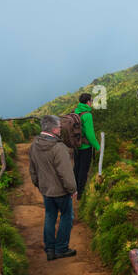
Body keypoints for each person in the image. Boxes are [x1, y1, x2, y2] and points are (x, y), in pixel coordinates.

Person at [30, 115, 77, 260]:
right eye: (59, 126)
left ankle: (50, 249)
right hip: (61, 192)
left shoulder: (34, 145)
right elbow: (66, 173)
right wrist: (72, 189)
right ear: (54, 129)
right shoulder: (58, 147)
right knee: (67, 217)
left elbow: (33, 170)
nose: (61, 129)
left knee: (50, 216)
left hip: (46, 191)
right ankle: (61, 248)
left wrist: (39, 184)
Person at [72, 92, 100, 200]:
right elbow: (90, 134)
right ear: (88, 102)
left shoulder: (76, 111)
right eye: (91, 101)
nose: (92, 103)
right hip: (85, 147)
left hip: (76, 145)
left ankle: (73, 190)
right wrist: (97, 146)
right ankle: (80, 194)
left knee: (76, 168)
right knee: (83, 170)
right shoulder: (87, 115)